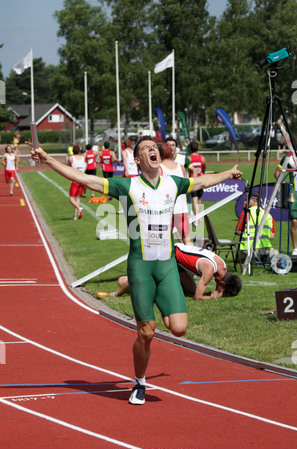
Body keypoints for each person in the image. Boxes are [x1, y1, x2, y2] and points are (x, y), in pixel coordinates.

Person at [27, 136, 242, 405]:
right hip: (140, 267)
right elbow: (84, 179)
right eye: (145, 149)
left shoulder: (173, 183)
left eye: (154, 147)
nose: (153, 150)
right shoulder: (126, 185)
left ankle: (160, 305)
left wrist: (228, 173)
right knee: (146, 333)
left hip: (166, 267)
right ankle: (139, 383)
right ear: (138, 160)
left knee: (178, 328)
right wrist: (48, 160)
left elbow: (202, 181)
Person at [98, 242, 242, 300]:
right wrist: (211, 297)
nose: (220, 289)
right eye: (223, 289)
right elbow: (198, 297)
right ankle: (115, 293)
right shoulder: (210, 270)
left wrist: (219, 291)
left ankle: (126, 280)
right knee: (148, 283)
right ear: (222, 282)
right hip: (168, 255)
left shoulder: (223, 267)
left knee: (190, 289)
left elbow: (218, 284)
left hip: (179, 260)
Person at [159, 142, 192, 245]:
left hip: (166, 209)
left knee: (162, 241)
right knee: (187, 239)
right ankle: (192, 260)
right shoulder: (181, 167)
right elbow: (186, 187)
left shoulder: (159, 168)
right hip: (181, 208)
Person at [274, 141, 297, 255]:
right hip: (293, 193)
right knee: (294, 221)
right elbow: (276, 173)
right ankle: (295, 249)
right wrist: (285, 183)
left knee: (296, 225)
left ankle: (293, 233)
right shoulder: (289, 157)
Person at [237, 191, 277, 262]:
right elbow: (272, 237)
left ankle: (253, 259)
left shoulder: (246, 213)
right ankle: (264, 258)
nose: (244, 202)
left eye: (247, 200)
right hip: (265, 250)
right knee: (275, 253)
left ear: (254, 201)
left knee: (239, 254)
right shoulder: (268, 216)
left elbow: (238, 232)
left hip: (248, 250)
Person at [67, 144, 86, 220]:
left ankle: (79, 208)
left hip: (75, 180)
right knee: (77, 198)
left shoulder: (71, 158)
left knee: (71, 198)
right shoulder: (83, 157)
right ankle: (75, 216)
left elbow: (68, 167)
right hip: (82, 180)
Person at [189, 141, 206, 220]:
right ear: (197, 148)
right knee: (199, 199)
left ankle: (197, 218)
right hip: (201, 180)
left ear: (190, 149)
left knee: (194, 199)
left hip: (193, 181)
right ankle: (200, 217)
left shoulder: (189, 158)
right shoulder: (202, 158)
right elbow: (204, 168)